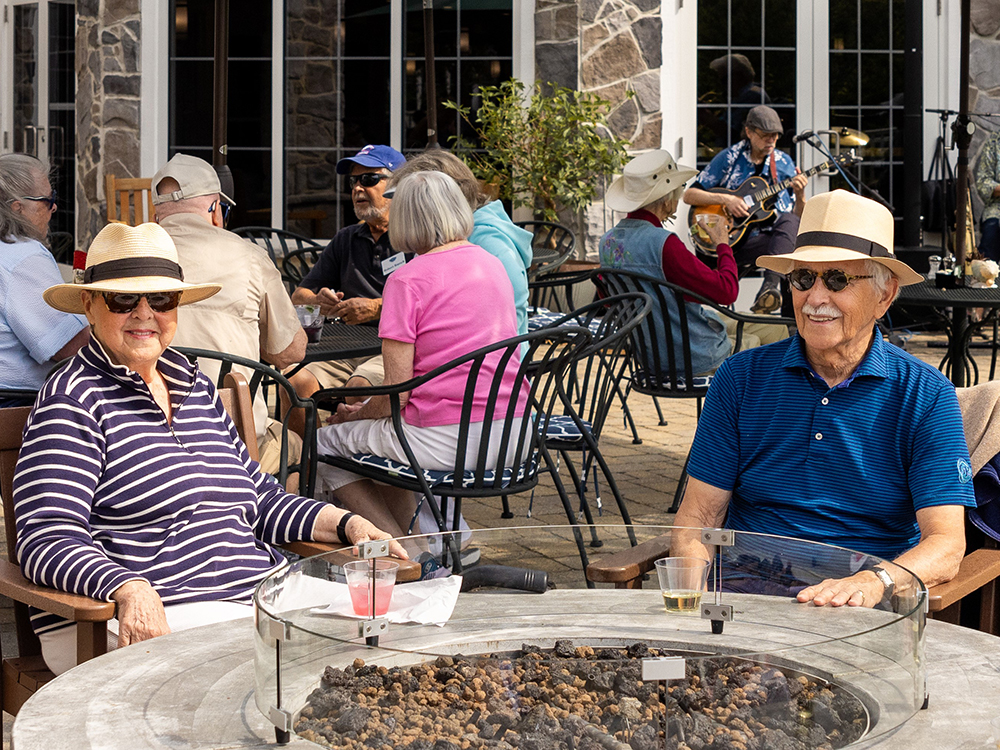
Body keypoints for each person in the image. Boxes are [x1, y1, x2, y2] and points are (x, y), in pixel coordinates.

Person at [15, 222, 405, 675]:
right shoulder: (74, 398)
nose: (145, 313)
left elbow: (258, 498)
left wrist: (349, 523)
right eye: (124, 299)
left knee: (396, 638)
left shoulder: (193, 384)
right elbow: (46, 535)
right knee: (327, 671)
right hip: (131, 615)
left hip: (249, 601)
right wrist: (127, 588)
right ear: (89, 305)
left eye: (161, 299)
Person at [671, 190, 974, 608]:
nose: (815, 298)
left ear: (884, 296)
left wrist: (876, 582)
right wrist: (691, 600)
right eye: (802, 279)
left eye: (837, 280)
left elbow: (946, 542)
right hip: (742, 605)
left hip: (857, 612)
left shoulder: (924, 395)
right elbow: (698, 520)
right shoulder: (740, 378)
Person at [314, 171, 527, 538]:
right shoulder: (490, 263)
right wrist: (366, 416)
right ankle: (438, 542)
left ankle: (404, 552)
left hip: (449, 441)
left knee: (321, 445)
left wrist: (356, 414)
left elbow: (397, 393)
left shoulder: (408, 279)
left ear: (405, 218)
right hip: (515, 433)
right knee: (383, 438)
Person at [151, 153, 306, 475]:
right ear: (214, 209)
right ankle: (267, 519)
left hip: (145, 437)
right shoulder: (248, 255)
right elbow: (289, 352)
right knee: (303, 447)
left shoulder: (134, 259)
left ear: (156, 215)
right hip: (234, 440)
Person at [600, 149, 787, 376]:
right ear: (666, 198)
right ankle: (764, 408)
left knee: (770, 324)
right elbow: (726, 292)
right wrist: (723, 244)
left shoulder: (607, 242)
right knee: (763, 340)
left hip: (649, 353)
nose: (680, 196)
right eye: (678, 189)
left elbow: (612, 301)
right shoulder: (664, 244)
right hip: (691, 355)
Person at [285, 144, 408, 436]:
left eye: (369, 180)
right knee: (293, 380)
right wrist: (319, 301)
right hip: (345, 346)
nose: (358, 189)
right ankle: (305, 467)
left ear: (398, 186)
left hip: (393, 348)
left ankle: (355, 471)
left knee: (359, 388)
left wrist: (376, 307)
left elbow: (429, 304)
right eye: (353, 181)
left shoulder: (414, 236)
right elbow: (299, 296)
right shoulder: (347, 238)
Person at [385, 150, 533, 339]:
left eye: (413, 202)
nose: (403, 212)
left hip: (493, 362)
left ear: (445, 197)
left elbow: (507, 321)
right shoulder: (443, 238)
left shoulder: (489, 243)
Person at [684, 105, 809, 314]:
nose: (771, 141)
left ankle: (770, 291)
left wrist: (800, 195)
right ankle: (780, 310)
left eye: (775, 136)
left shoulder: (783, 162)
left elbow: (795, 220)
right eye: (765, 135)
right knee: (790, 256)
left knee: (791, 231)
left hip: (767, 243)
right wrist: (727, 199)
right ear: (749, 132)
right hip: (730, 241)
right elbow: (689, 195)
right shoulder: (730, 158)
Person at [0, 154, 89, 403]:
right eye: (48, 200)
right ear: (17, 208)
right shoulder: (22, 256)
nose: (54, 206)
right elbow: (68, 346)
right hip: (15, 402)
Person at [976, 129, 1000, 263]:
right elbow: (983, 182)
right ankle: (985, 279)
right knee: (990, 235)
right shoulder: (995, 140)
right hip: (997, 208)